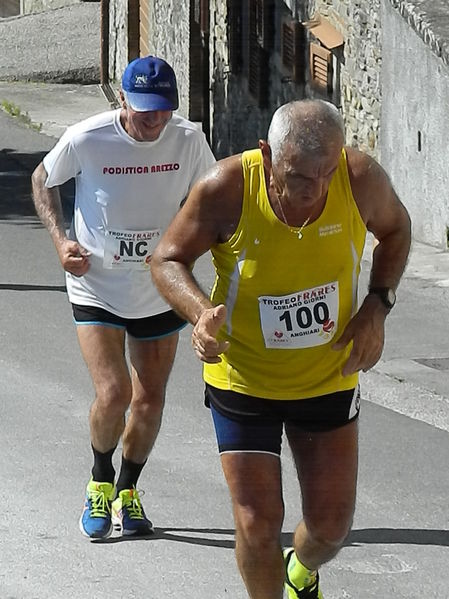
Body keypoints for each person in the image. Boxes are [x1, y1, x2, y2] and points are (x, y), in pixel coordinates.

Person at [150, 99, 411, 598]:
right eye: (299, 177)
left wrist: (377, 307)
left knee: (332, 528)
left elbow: (397, 230)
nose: (315, 191)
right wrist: (200, 312)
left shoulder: (359, 180)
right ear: (267, 154)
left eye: (326, 174)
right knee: (256, 522)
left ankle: (301, 568)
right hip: (243, 375)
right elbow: (166, 258)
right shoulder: (227, 188)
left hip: (328, 374)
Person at [31, 55, 215, 539]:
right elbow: (41, 180)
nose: (155, 119)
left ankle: (128, 492)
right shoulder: (87, 137)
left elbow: (214, 198)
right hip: (96, 282)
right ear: (122, 99)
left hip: (158, 286)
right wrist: (59, 241)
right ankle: (99, 481)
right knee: (115, 393)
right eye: (144, 109)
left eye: (164, 109)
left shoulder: (189, 139)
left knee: (150, 402)